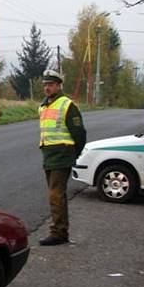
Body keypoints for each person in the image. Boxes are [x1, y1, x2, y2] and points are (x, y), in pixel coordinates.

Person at [38, 69, 86, 246]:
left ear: (59, 85)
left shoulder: (67, 105)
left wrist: (74, 154)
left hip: (62, 155)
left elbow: (79, 133)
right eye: (45, 85)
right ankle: (61, 229)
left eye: (50, 85)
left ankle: (58, 232)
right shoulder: (44, 106)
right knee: (56, 195)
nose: (47, 88)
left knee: (55, 195)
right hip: (49, 155)